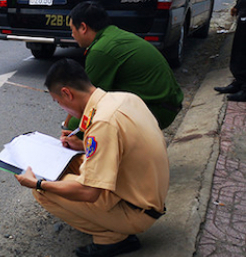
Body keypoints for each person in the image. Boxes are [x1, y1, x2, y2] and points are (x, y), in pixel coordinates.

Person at [16, 58, 169, 257]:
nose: (62, 108)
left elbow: (89, 192)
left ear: (67, 93)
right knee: (71, 163)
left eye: (59, 102)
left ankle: (113, 237)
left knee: (43, 189)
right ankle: (111, 226)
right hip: (145, 193)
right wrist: (81, 145)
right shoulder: (124, 98)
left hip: (136, 211)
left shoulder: (102, 122)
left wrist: (38, 183)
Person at [66, 1, 183, 131]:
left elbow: (89, 101)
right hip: (166, 104)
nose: (72, 35)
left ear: (83, 27)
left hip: (158, 110)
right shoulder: (113, 34)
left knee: (100, 117)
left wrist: (70, 132)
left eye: (72, 29)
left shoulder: (101, 50)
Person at [214, 0, 246, 102]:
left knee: (243, 50)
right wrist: (237, 6)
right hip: (243, 13)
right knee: (239, 50)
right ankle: (239, 82)